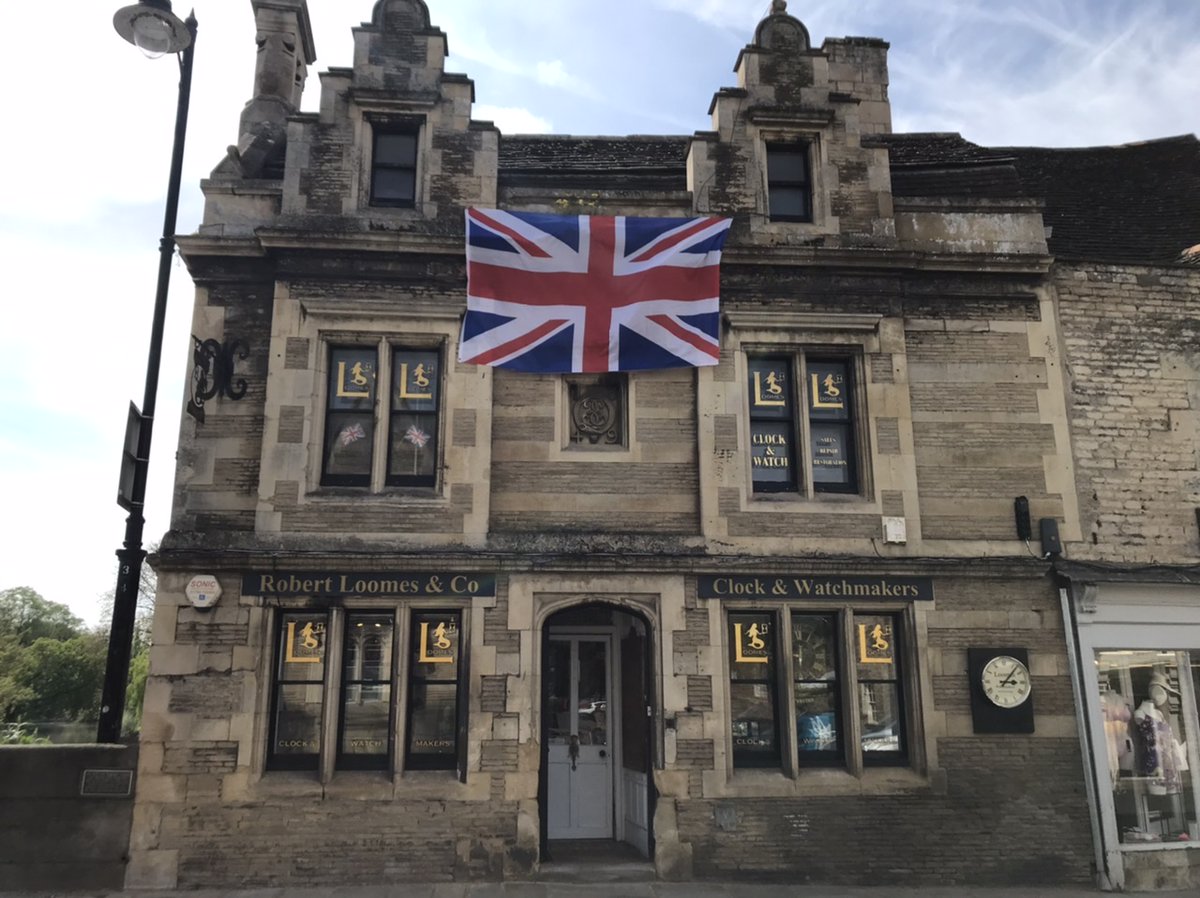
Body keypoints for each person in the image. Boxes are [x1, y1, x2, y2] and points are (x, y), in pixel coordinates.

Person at [1133, 672, 1182, 795]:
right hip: (1153, 763)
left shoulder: (1159, 714)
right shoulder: (1140, 713)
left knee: (1173, 797)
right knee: (1157, 796)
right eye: (1164, 691)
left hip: (1168, 763)